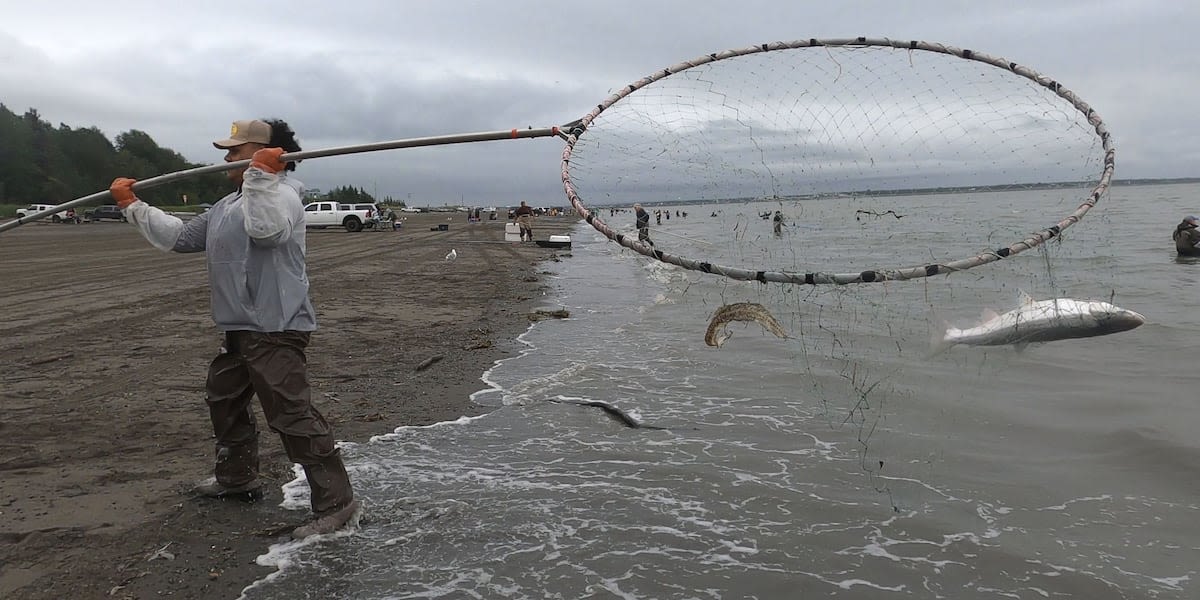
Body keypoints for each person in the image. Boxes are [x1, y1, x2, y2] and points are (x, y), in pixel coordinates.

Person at [108, 118, 359, 540]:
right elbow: (183, 238)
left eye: (236, 151)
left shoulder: (283, 198)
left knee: (291, 414)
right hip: (239, 327)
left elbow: (267, 233)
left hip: (277, 327)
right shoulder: (227, 204)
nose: (226, 157)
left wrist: (262, 178)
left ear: (264, 152)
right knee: (223, 400)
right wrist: (132, 205)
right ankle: (237, 479)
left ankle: (338, 505)